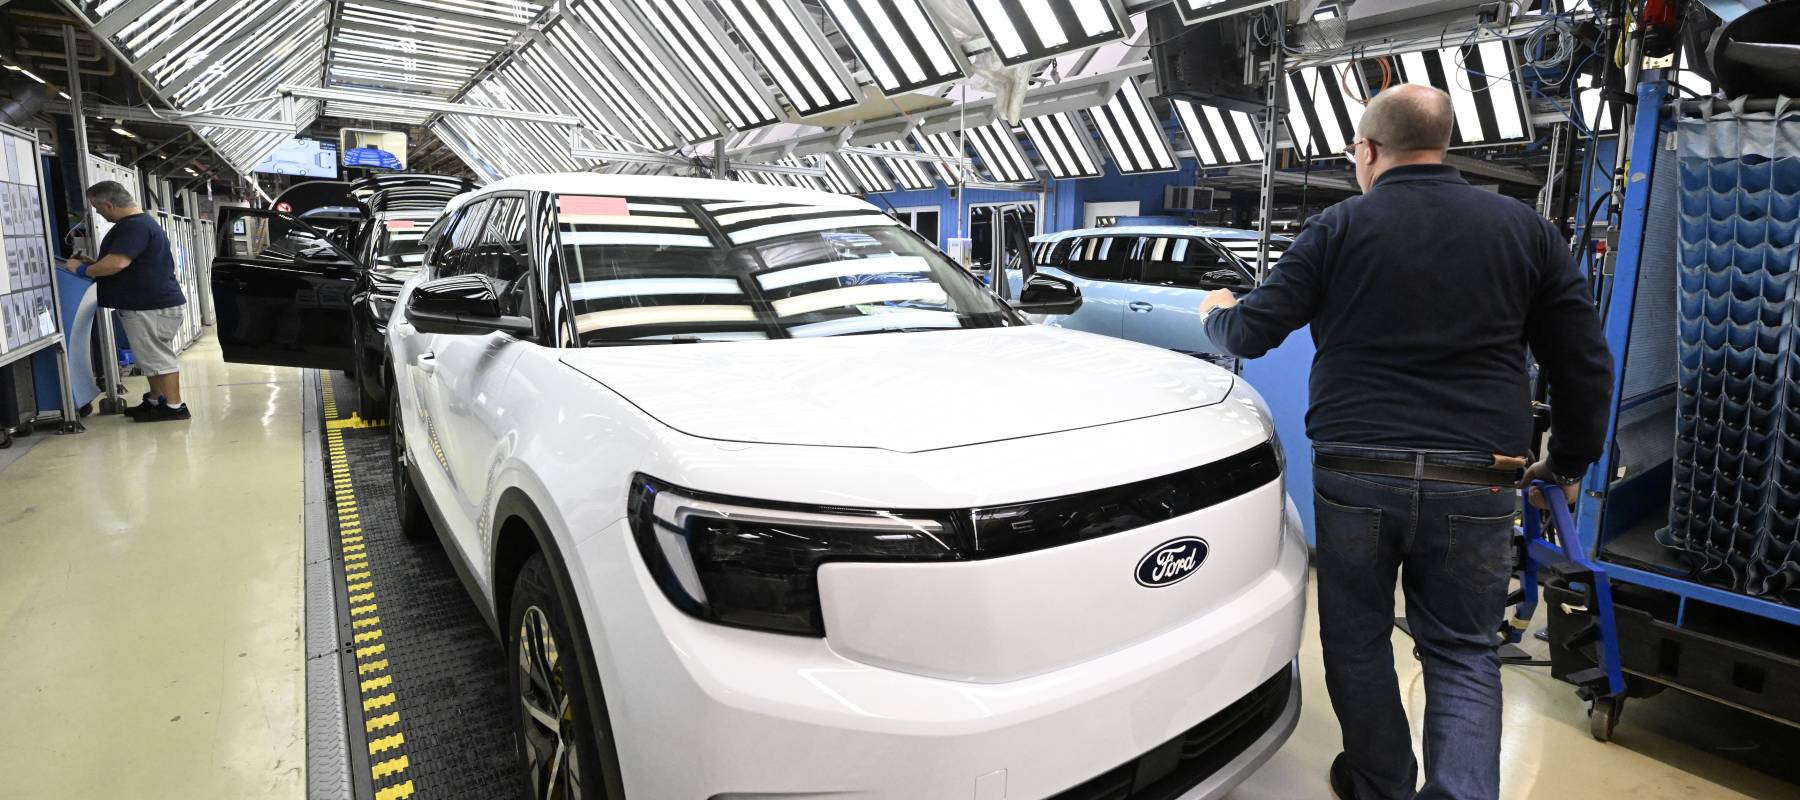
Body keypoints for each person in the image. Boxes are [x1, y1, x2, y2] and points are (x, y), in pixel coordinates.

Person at [1199, 84, 1612, 800]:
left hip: (1357, 473)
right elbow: (1583, 363)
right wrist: (1568, 461)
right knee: (1462, 650)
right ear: (1444, 143)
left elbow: (1249, 333)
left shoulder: (1337, 227)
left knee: (1357, 638)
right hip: (1480, 476)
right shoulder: (1526, 230)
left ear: (1366, 150)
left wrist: (1217, 311)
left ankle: (1379, 782)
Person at [61, 181, 190, 422]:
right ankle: (156, 400)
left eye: (98, 208)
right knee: (150, 357)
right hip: (151, 304)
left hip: (149, 307)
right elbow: (128, 264)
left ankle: (174, 407)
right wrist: (95, 265)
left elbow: (118, 263)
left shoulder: (134, 226)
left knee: (158, 358)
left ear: (109, 205)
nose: (98, 213)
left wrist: (81, 270)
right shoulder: (140, 223)